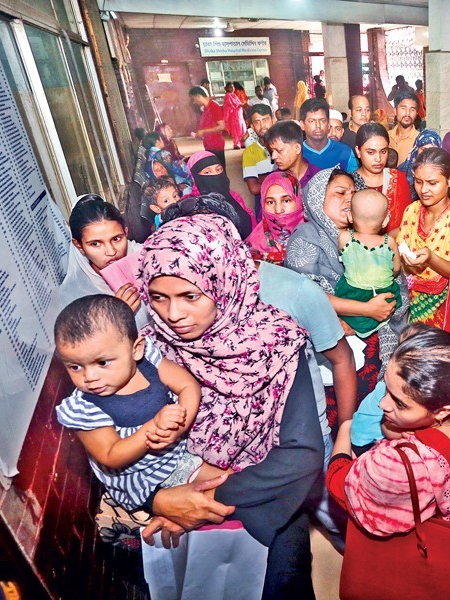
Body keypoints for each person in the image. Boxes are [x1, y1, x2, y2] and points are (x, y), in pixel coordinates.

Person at [137, 214, 323, 598]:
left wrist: (204, 501)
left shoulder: (274, 343)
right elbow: (112, 444)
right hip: (168, 519)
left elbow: (302, 454)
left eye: (190, 296)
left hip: (265, 520)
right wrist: (160, 499)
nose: (173, 315)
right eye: (159, 297)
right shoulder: (144, 350)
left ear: (226, 281)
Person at [327, 324, 450, 598]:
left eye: (400, 402)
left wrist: (345, 429)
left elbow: (340, 485)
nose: (383, 405)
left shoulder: (400, 464)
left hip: (410, 550)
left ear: (442, 411)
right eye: (387, 389)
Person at [54, 295, 227, 511]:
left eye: (102, 362)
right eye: (75, 367)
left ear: (136, 350)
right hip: (144, 481)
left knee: (233, 482)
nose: (89, 377)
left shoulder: (148, 361)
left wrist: (179, 426)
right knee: (224, 496)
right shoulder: (85, 407)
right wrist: (153, 428)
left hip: (178, 454)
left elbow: (187, 386)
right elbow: (111, 456)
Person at [286, 168, 405, 400]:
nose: (349, 199)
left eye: (353, 193)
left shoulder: (366, 236)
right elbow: (305, 296)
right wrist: (365, 309)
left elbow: (395, 280)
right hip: (329, 343)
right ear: (318, 197)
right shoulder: (305, 238)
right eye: (340, 193)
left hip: (380, 333)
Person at [398, 147, 450, 335]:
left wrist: (431, 259)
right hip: (411, 311)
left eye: (432, 183)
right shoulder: (411, 211)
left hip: (446, 314)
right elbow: (401, 257)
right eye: (418, 182)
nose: (424, 190)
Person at [58, 195, 151, 330]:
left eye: (117, 239)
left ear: (126, 232)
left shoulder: (149, 258)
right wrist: (116, 318)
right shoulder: (74, 294)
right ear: (79, 246)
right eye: (95, 244)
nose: (111, 251)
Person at [334, 189, 402, 338]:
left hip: (352, 294)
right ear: (385, 220)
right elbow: (396, 269)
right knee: (397, 300)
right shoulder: (389, 242)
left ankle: (353, 327)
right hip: (385, 293)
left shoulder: (345, 238)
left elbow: (343, 256)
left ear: (350, 216)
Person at [351, 122, 412, 237]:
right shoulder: (349, 183)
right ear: (358, 151)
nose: (378, 159)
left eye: (383, 151)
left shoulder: (399, 179)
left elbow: (407, 223)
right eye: (371, 152)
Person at [185, 151, 254, 238]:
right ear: (195, 177)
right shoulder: (191, 206)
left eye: (219, 169)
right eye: (207, 172)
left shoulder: (234, 196)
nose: (216, 175)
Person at [245, 171, 305, 265]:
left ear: (298, 200)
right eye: (270, 202)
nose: (278, 210)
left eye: (286, 201)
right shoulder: (252, 246)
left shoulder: (316, 237)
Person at [300, 98, 358, 171]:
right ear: (302, 125)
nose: (318, 125)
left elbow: (354, 180)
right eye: (312, 121)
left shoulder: (345, 152)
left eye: (322, 121)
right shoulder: (296, 153)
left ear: (328, 124)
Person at [266, 120, 320, 195]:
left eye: (279, 150)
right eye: (272, 151)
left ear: (297, 148)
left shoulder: (319, 177)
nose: (273, 156)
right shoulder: (273, 180)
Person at [242, 104, 277, 208]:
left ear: (273, 120)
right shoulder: (249, 152)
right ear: (252, 126)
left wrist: (263, 179)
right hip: (264, 205)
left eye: (265, 119)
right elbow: (254, 188)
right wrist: (282, 175)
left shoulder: (286, 144)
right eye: (257, 122)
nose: (262, 126)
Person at [187, 86, 226, 169]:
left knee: (218, 168)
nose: (194, 102)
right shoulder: (206, 108)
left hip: (216, 144)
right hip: (209, 143)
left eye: (194, 99)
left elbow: (222, 126)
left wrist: (204, 131)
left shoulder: (214, 106)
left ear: (198, 96)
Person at [398, 128, 441, 200]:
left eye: (432, 149)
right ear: (416, 149)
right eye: (424, 149)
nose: (428, 153)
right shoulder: (402, 170)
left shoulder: (443, 171)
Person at [388, 90, 420, 165]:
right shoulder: (386, 137)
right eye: (403, 108)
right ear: (395, 111)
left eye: (412, 109)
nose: (407, 113)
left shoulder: (419, 141)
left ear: (416, 113)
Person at [222, 81, 248, 150]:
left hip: (239, 116)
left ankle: (242, 143)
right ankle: (236, 143)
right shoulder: (228, 96)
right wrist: (241, 105)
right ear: (227, 88)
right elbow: (231, 105)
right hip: (234, 116)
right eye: (230, 87)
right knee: (236, 130)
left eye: (233, 87)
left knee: (242, 129)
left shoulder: (234, 95)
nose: (232, 88)